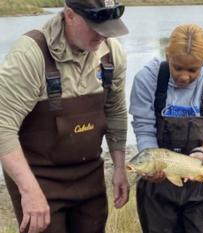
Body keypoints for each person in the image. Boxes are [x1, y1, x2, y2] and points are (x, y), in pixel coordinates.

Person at [0, 0, 129, 232]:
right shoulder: (30, 54)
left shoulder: (111, 52)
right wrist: (29, 191)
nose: (103, 35)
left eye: (109, 26)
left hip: (90, 176)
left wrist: (119, 167)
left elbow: (116, 112)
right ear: (69, 14)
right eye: (95, 25)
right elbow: (2, 126)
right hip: (39, 178)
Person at [129, 24, 203, 233]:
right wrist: (152, 164)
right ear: (167, 55)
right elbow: (144, 128)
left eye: (192, 70)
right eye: (177, 68)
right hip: (159, 186)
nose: (184, 76)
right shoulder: (147, 79)